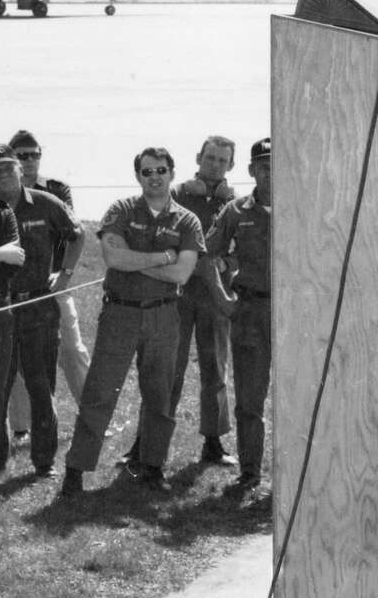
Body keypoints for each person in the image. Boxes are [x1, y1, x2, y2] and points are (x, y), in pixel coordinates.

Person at [60, 148, 203, 496]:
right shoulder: (121, 210)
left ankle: (152, 468)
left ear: (171, 173)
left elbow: (182, 273)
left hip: (163, 314)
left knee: (159, 393)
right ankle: (76, 472)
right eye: (146, 171)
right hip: (120, 313)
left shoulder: (187, 221)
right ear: (138, 176)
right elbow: (112, 256)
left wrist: (133, 261)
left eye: (161, 170)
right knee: (99, 391)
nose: (154, 176)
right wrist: (162, 258)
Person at [0, 144, 80, 482]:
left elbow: (76, 235)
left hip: (39, 306)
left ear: (20, 169)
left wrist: (64, 273)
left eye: (10, 167)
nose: (5, 173)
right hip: (0, 307)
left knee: (41, 386)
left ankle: (44, 460)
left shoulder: (46, 203)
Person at [6, 129, 92, 443]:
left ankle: (92, 415)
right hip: (14, 290)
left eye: (34, 154)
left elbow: (73, 230)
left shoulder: (56, 189)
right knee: (16, 358)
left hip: (52, 284)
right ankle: (20, 427)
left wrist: (65, 275)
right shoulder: (1, 193)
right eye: (21, 155)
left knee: (71, 348)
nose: (28, 161)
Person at [203, 140, 272, 490]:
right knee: (250, 398)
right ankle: (250, 472)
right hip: (251, 310)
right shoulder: (236, 211)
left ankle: (300, 475)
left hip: (296, 314)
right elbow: (205, 255)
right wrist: (222, 299)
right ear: (250, 171)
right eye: (263, 166)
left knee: (303, 395)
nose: (270, 173)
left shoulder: (304, 207)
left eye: (277, 165)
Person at [166, 136, 237, 467]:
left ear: (231, 166)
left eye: (223, 161)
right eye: (210, 158)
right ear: (198, 158)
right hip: (178, 292)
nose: (215, 165)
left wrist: (224, 265)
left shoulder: (235, 203)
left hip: (214, 293)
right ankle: (149, 441)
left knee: (214, 366)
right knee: (169, 367)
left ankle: (213, 441)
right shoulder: (178, 194)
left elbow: (241, 249)